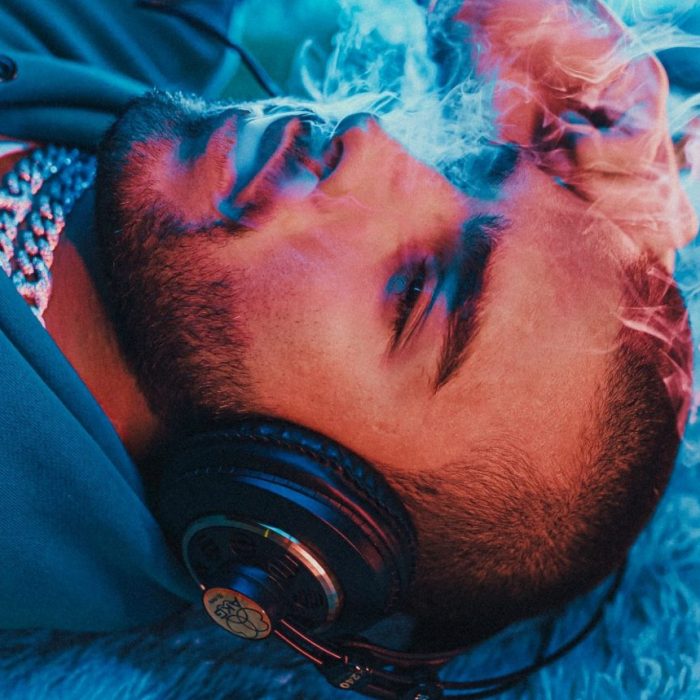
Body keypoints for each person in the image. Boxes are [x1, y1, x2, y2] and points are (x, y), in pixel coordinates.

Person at [0, 0, 695, 654]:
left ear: (295, 488)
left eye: (416, 289)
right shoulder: (151, 38)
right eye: (466, 171)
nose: (369, 141)